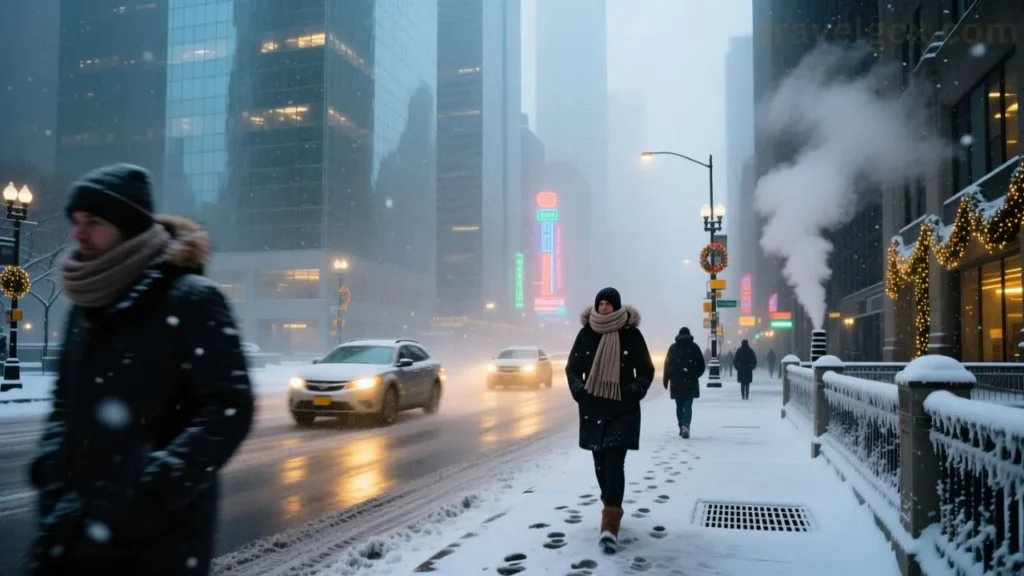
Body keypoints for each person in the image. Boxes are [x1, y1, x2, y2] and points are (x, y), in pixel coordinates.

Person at [26, 164, 254, 575]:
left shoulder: (191, 300)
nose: (78, 233)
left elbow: (229, 407)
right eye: (77, 222)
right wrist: (51, 469)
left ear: (128, 227)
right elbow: (65, 404)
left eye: (93, 222)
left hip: (158, 544)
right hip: (72, 529)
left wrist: (153, 486)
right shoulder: (85, 307)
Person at [566, 287, 654, 555]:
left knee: (615, 463)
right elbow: (572, 369)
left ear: (616, 307)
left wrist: (633, 393)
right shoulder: (586, 334)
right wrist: (580, 391)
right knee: (601, 465)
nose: (603, 308)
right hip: (593, 409)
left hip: (622, 410)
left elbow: (646, 370)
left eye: (608, 304)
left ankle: (609, 527)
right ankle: (609, 500)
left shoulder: (631, 334)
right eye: (600, 303)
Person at [662, 327, 705, 439]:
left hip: (677, 381)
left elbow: (667, 365)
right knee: (688, 404)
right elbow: (701, 365)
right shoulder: (694, 347)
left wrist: (666, 379)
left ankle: (681, 425)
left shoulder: (673, 348)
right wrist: (695, 374)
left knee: (679, 405)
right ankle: (686, 425)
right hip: (690, 381)